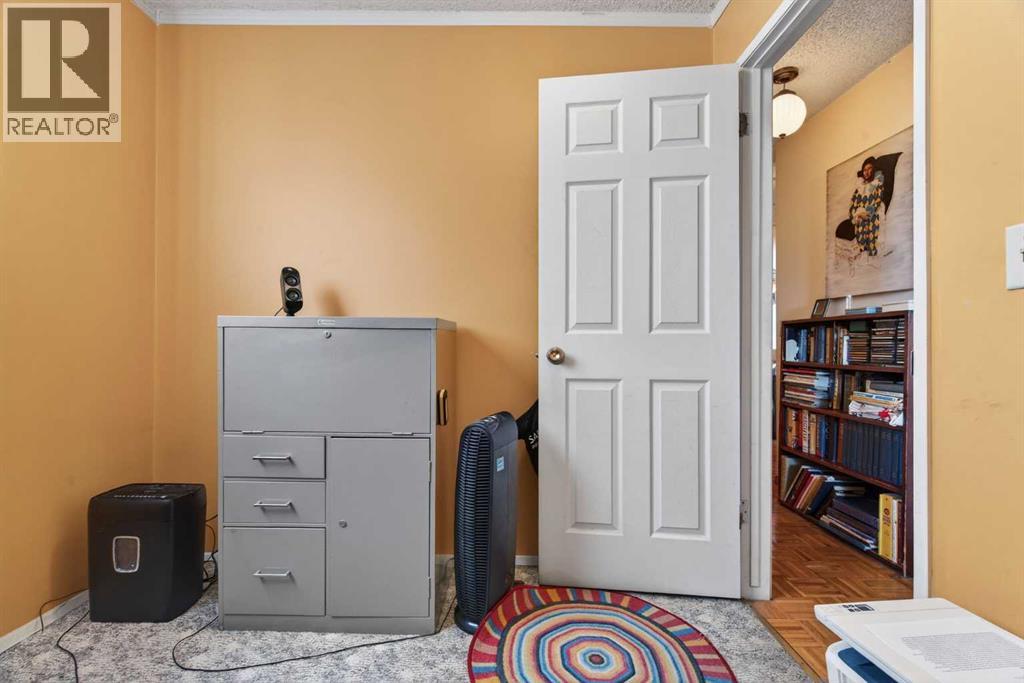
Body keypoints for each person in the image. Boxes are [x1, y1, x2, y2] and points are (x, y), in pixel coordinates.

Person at [848, 156, 885, 256]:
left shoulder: (877, 184)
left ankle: (872, 251)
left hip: (872, 214)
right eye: (864, 170)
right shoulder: (860, 186)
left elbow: (877, 201)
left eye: (869, 169)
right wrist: (854, 215)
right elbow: (853, 202)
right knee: (859, 225)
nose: (866, 172)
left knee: (870, 222)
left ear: (874, 170)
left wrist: (867, 214)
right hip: (859, 216)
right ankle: (861, 250)